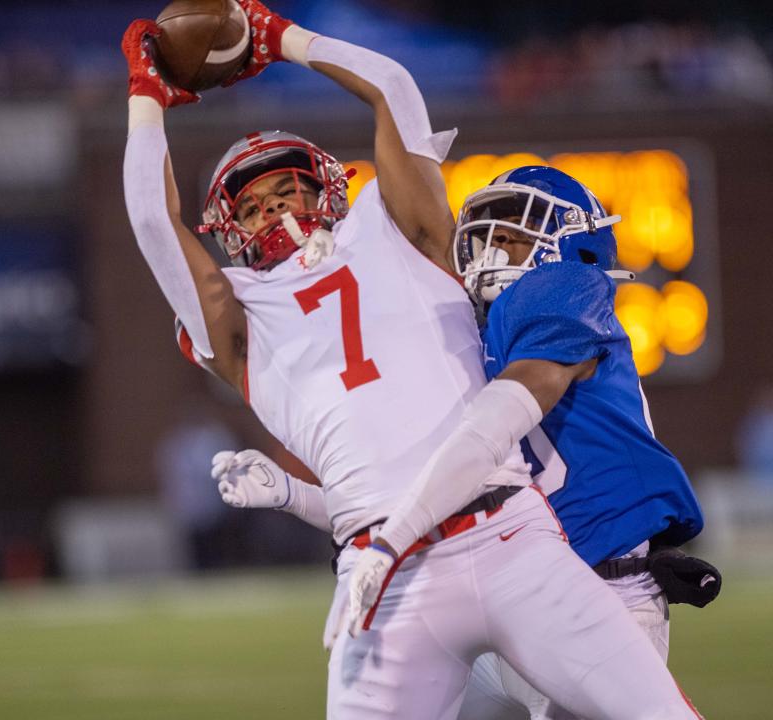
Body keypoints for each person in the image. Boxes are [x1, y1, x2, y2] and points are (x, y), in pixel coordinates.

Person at [122, 3, 701, 718]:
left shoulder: (391, 228)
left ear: (327, 186)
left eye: (288, 190)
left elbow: (392, 86)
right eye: (252, 208)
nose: (275, 212)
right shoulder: (240, 321)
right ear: (228, 234)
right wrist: (145, 95)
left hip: (511, 535)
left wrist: (286, 39)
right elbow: (152, 220)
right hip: (384, 576)